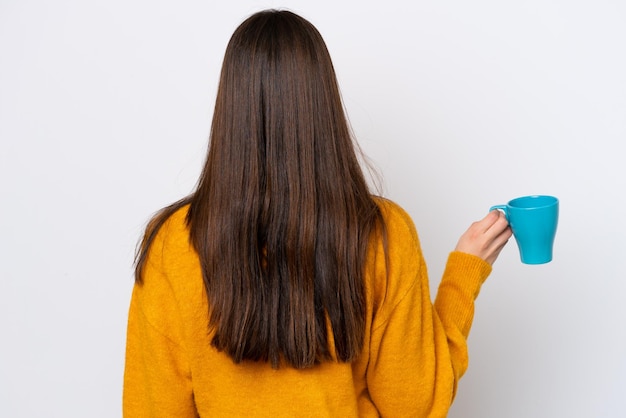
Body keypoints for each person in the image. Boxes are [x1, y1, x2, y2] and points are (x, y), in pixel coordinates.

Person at [123, 9, 512, 417]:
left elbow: (152, 409)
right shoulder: (383, 234)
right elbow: (414, 406)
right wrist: (463, 278)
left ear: (230, 106)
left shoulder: (172, 243)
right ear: (323, 104)